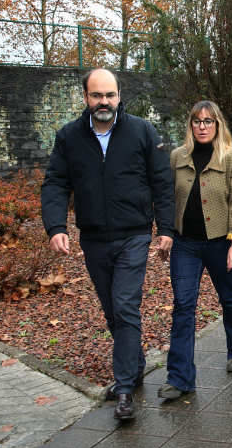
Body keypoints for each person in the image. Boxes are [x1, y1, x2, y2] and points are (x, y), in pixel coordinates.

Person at [41, 68, 174, 421]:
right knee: (113, 310)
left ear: (119, 96)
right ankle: (135, 363)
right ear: (85, 97)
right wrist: (56, 226)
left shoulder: (141, 131)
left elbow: (162, 182)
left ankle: (125, 388)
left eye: (110, 95)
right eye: (97, 95)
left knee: (125, 304)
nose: (104, 102)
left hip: (134, 235)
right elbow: (55, 183)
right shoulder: (69, 137)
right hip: (95, 238)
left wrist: (167, 228)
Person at [160, 101, 232, 400]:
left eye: (208, 121)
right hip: (185, 244)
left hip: (220, 243)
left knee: (229, 296)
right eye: (197, 121)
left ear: (217, 124)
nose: (202, 126)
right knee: (184, 306)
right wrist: (165, 233)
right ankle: (180, 378)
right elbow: (168, 198)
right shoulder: (177, 157)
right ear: (190, 125)